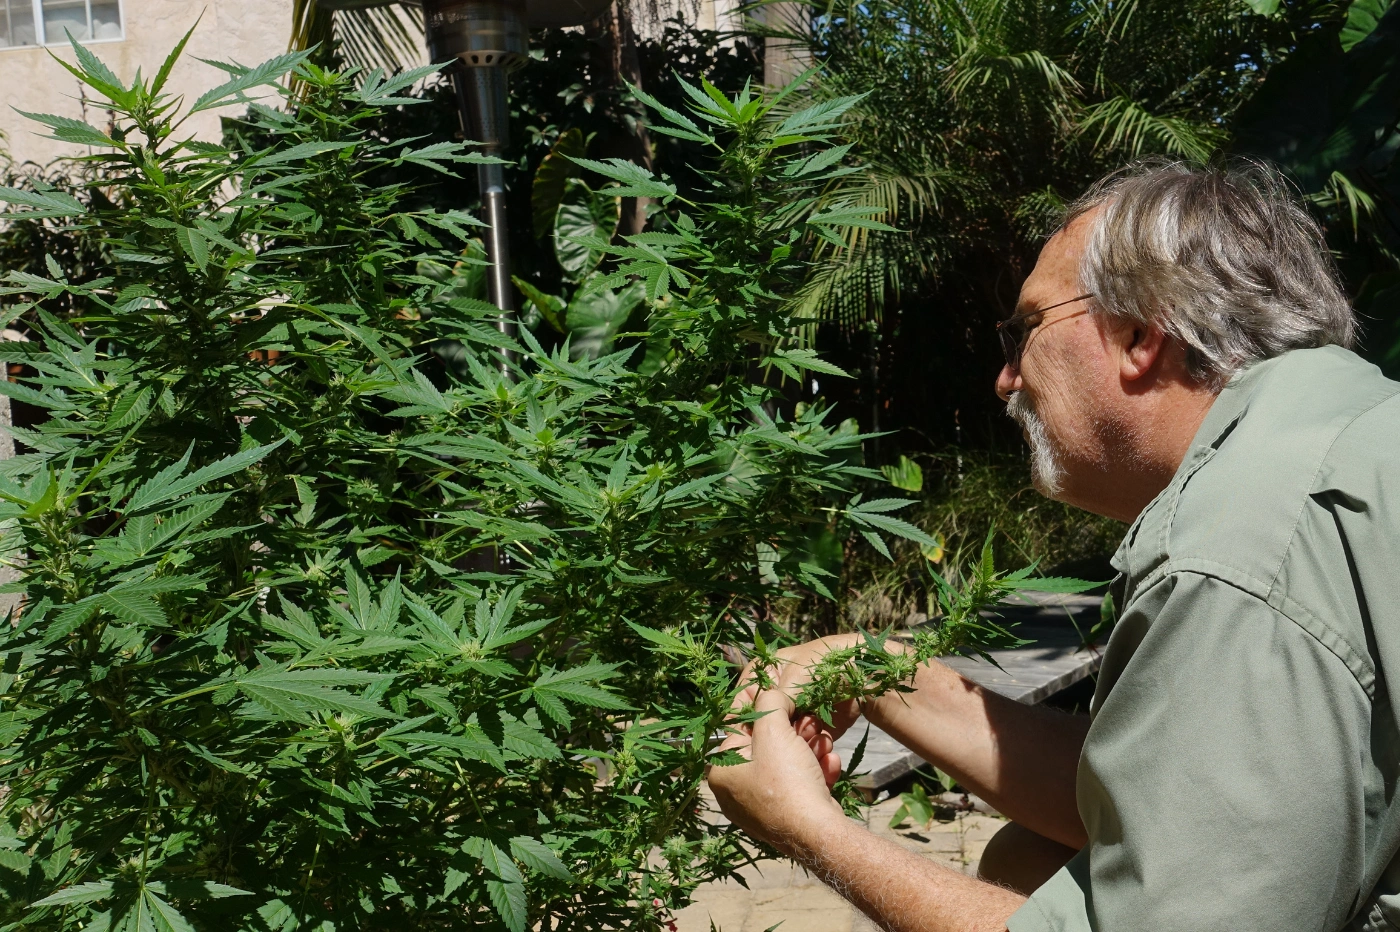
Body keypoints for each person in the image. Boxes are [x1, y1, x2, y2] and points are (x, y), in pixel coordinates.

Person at [707, 159, 1400, 932]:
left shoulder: (1239, 548)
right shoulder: (1333, 434)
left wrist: (808, 829)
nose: (1006, 380)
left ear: (1139, 333)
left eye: (1023, 330)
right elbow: (1186, 789)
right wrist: (877, 671)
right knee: (1027, 858)